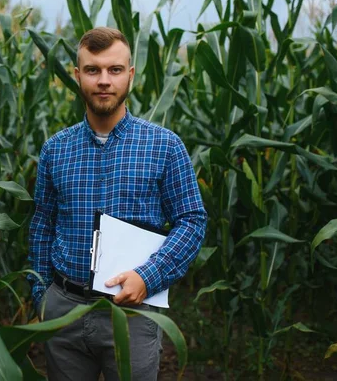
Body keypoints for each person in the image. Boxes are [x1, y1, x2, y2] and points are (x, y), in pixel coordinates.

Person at [28, 27, 207, 381]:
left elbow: (192, 221)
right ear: (78, 76)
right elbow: (42, 224)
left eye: (114, 70)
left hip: (134, 313)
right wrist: (41, 296)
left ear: (131, 74)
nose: (104, 81)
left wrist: (149, 276)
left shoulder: (164, 146)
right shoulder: (55, 149)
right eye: (93, 70)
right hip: (64, 309)